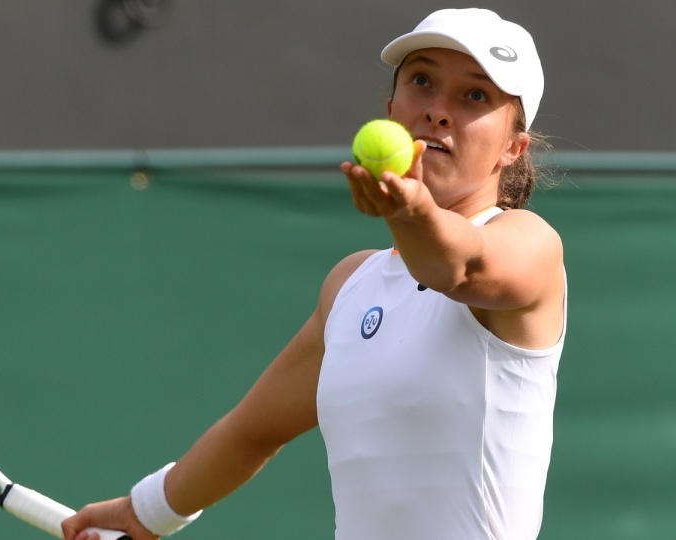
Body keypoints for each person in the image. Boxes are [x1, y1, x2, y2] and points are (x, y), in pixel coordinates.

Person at [63, 8, 566, 540]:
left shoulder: (531, 244)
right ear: (390, 109)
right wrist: (145, 514)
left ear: (514, 147)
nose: (439, 110)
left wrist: (412, 214)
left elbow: (458, 267)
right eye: (422, 81)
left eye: (475, 96)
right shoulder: (350, 286)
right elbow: (251, 433)